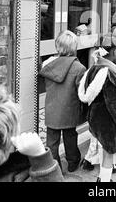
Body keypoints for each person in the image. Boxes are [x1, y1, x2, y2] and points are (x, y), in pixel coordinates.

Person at [78, 34, 116, 182]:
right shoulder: (110, 74)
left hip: (97, 118)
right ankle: (104, 180)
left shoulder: (96, 67)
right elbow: (114, 105)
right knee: (108, 152)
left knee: (103, 146)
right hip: (108, 121)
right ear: (114, 52)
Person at [39, 30, 86, 173]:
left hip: (52, 109)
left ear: (58, 46)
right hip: (70, 110)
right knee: (70, 137)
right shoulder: (79, 68)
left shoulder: (48, 64)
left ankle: (54, 169)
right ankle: (73, 162)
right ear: (74, 47)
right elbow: (82, 92)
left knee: (52, 142)